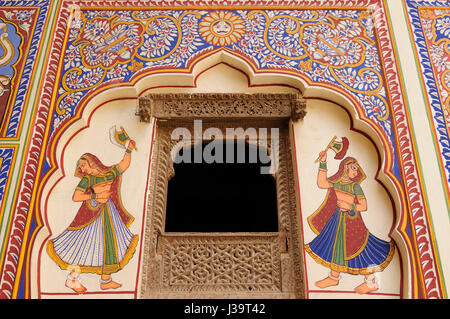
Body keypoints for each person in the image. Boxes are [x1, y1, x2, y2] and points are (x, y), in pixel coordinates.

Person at [47, 141, 138, 294]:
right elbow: (76, 196)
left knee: (109, 243)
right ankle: (72, 279)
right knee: (84, 244)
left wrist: (128, 149)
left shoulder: (109, 173)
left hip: (108, 212)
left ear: (92, 163)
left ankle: (106, 280)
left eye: (83, 165)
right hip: (92, 214)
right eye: (80, 167)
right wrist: (95, 195)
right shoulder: (87, 180)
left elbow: (124, 165)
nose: (82, 169)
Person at [305, 150, 394, 294]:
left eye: (357, 168)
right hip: (338, 221)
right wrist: (323, 162)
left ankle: (371, 282)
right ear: (345, 168)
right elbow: (322, 183)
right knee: (336, 247)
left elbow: (363, 206)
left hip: (353, 223)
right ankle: (333, 277)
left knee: (361, 249)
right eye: (354, 167)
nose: (356, 170)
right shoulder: (337, 183)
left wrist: (350, 206)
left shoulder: (355, 187)